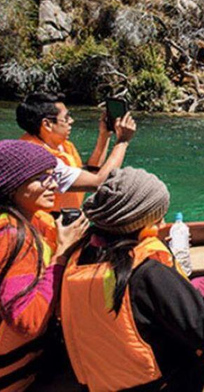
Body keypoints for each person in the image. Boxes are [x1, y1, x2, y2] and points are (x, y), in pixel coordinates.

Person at [60, 168, 204, 391]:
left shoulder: (79, 256)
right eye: (157, 220)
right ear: (136, 224)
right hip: (164, 385)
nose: (163, 225)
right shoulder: (146, 275)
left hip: (108, 380)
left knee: (203, 285)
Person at [0, 140, 89, 391]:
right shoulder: (13, 237)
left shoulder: (16, 221)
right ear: (12, 184)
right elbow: (27, 320)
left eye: (52, 176)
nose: (53, 185)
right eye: (41, 178)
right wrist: (61, 255)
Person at [16, 92, 137, 210]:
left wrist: (104, 136)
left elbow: (92, 172)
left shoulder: (61, 146)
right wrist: (122, 142)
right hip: (48, 226)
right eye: (66, 118)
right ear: (47, 124)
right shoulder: (40, 159)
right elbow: (98, 182)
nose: (71, 121)